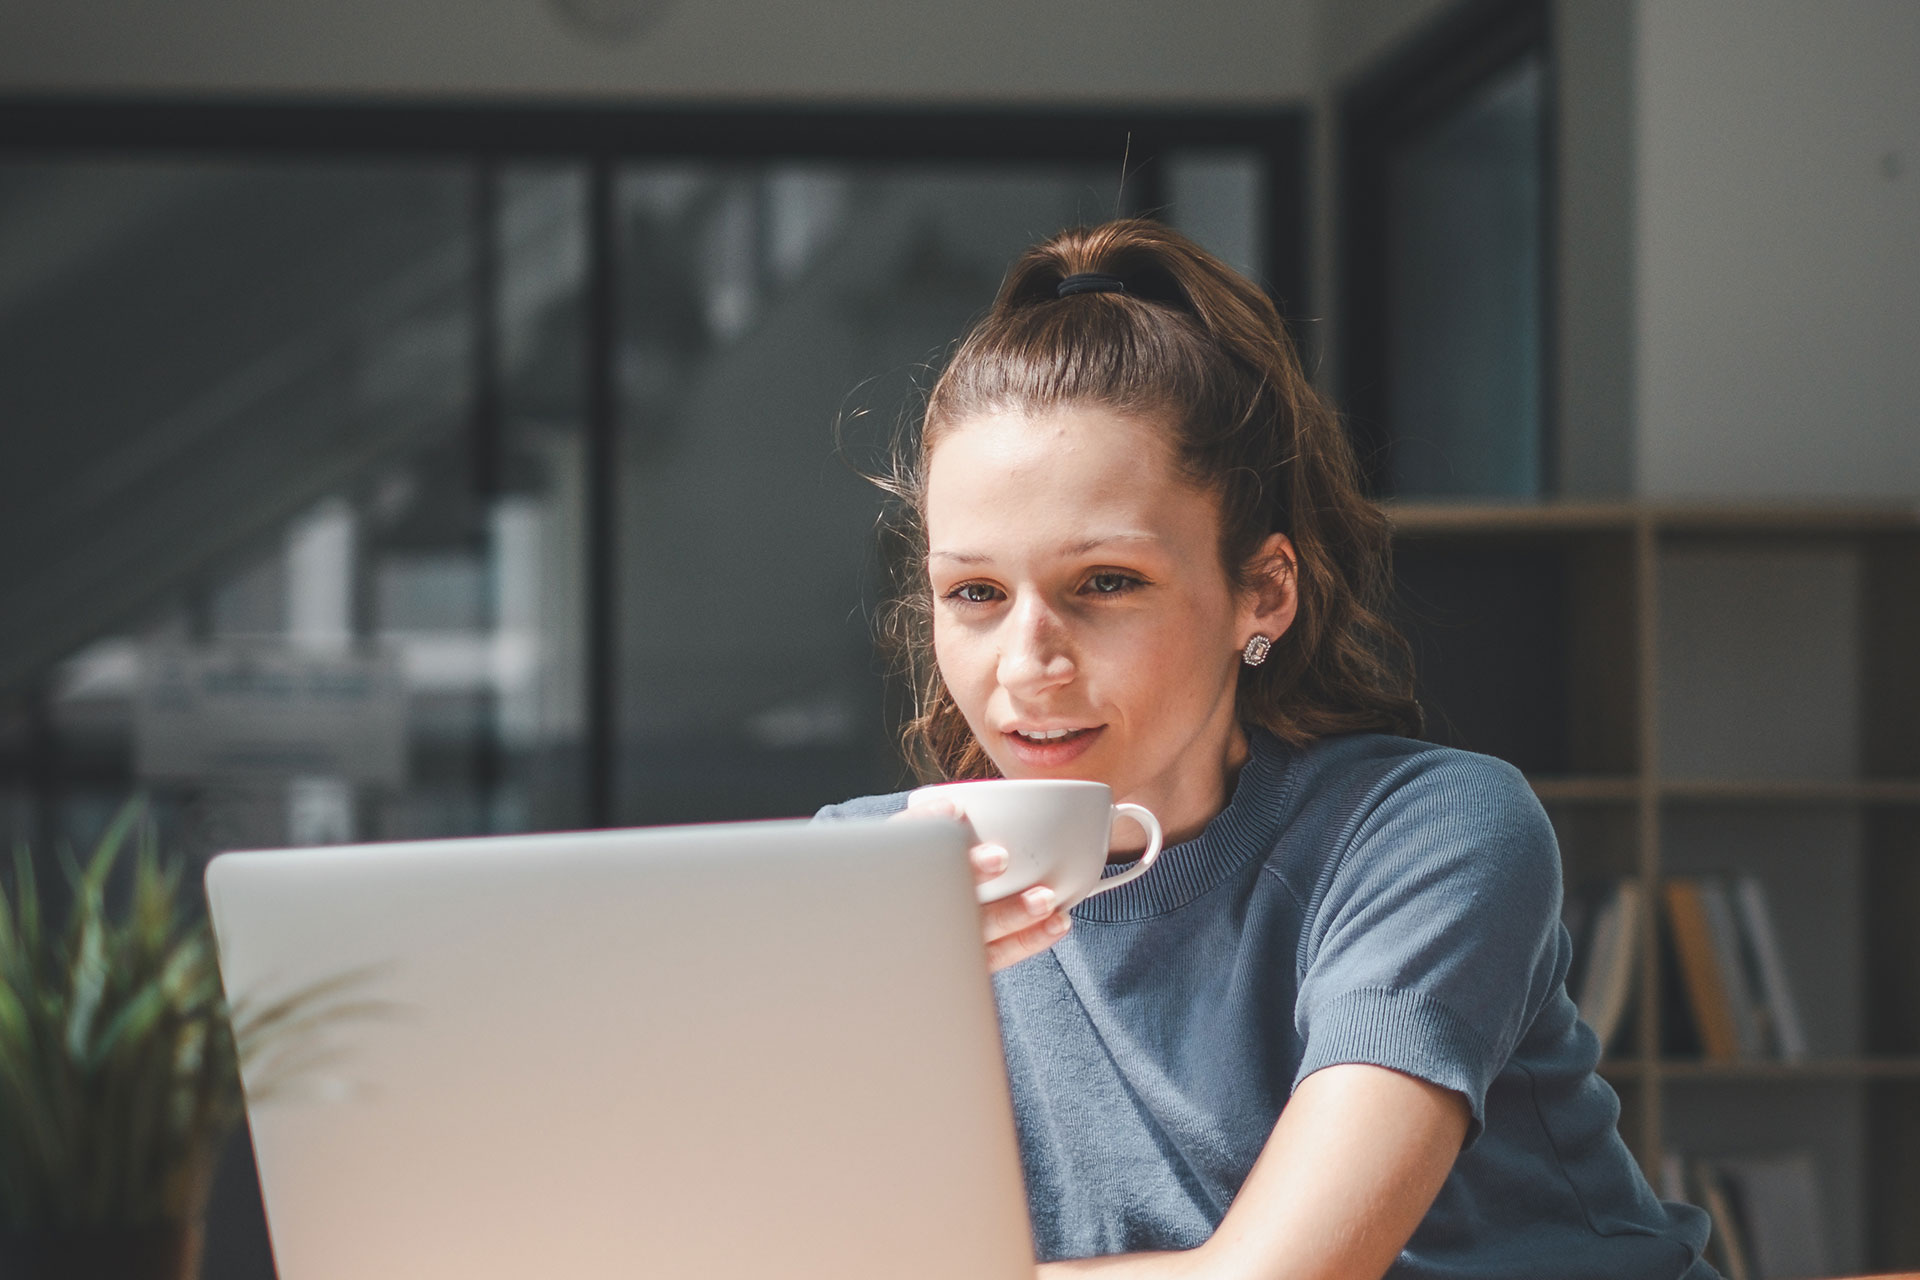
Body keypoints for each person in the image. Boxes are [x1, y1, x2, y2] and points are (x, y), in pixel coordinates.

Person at [814, 219, 1716, 1279]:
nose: (1025, 664)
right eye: (974, 592)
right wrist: (882, 990)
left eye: (1105, 582)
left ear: (1265, 590)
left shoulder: (1431, 833)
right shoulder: (866, 886)